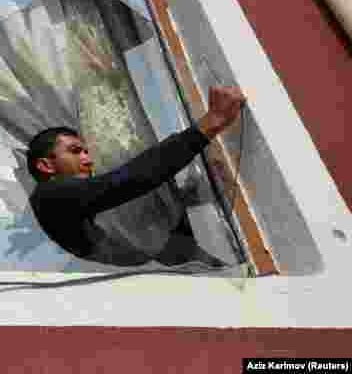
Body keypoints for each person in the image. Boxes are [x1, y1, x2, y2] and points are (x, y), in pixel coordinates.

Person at [27, 85, 246, 267]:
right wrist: (210, 123)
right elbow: (128, 181)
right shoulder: (49, 196)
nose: (88, 159)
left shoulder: (83, 216)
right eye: (75, 151)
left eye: (86, 152)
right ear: (46, 165)